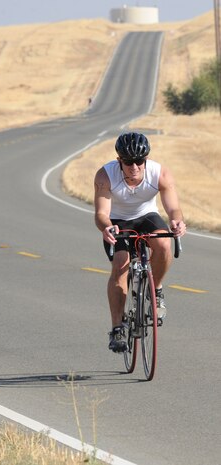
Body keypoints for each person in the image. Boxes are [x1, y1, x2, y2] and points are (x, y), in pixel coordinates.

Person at [94, 132, 186, 353]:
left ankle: (155, 289)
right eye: (128, 162)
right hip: (117, 221)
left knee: (164, 244)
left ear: (146, 160)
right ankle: (117, 327)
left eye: (139, 161)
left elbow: (173, 208)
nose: (134, 167)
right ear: (119, 161)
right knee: (121, 264)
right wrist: (107, 227)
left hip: (147, 216)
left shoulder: (159, 173)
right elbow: (101, 213)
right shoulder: (105, 175)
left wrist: (177, 222)